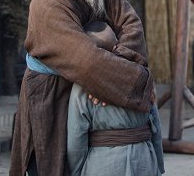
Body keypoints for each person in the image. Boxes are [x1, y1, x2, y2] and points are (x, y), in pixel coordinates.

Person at [9, 0, 155, 176]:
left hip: (93, 79)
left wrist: (110, 77)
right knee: (52, 165)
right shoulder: (48, 0)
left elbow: (131, 23)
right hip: (51, 96)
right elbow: (87, 61)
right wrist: (133, 81)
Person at [67, 21, 165, 176]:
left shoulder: (83, 86)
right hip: (144, 160)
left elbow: (76, 138)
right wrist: (158, 165)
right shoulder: (142, 75)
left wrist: (77, 171)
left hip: (103, 164)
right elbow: (155, 127)